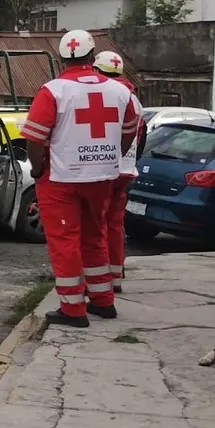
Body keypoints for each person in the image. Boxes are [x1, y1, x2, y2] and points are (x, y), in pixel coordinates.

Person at [20, 30, 139, 328]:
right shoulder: (121, 92)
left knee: (64, 241)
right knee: (94, 236)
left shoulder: (53, 90)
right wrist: (110, 156)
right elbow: (129, 132)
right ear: (92, 55)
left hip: (62, 178)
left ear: (62, 57)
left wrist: (36, 169)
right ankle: (103, 300)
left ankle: (73, 308)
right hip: (103, 178)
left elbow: (35, 138)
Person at [93, 50, 147, 294]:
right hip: (127, 171)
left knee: (96, 224)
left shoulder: (100, 93)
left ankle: (97, 276)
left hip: (104, 168)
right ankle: (116, 276)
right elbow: (141, 135)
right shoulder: (132, 98)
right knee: (115, 223)